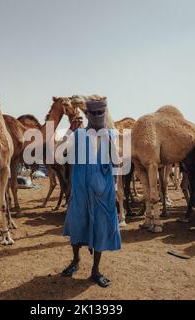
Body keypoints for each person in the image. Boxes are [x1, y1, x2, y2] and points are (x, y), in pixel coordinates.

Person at [62, 97, 121, 288]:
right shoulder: (77, 134)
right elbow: (63, 155)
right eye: (93, 113)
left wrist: (108, 139)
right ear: (86, 114)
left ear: (104, 113)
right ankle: (76, 260)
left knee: (101, 228)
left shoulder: (111, 133)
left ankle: (95, 270)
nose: (96, 116)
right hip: (80, 188)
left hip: (103, 191)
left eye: (100, 113)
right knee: (77, 222)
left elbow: (117, 162)